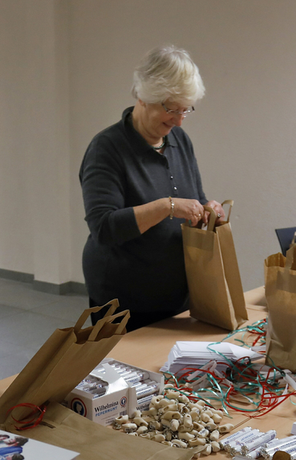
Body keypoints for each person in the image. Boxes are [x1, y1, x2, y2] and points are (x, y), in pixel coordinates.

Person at [80, 46, 225, 330]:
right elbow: (103, 227)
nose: (179, 120)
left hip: (176, 295)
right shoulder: (106, 148)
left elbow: (196, 198)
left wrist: (207, 209)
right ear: (143, 97)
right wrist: (166, 206)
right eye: (171, 109)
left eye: (186, 110)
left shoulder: (180, 140)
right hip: (122, 300)